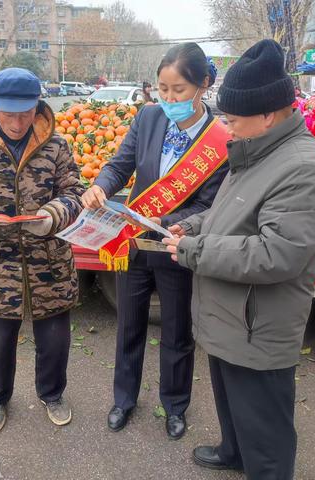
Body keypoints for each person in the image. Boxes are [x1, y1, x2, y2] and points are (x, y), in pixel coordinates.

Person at [164, 40, 315, 478]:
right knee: (231, 402)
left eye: (232, 119)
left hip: (257, 326)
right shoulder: (257, 150)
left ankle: (261, 466)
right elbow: (229, 211)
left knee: (266, 429)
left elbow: (274, 254)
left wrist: (194, 250)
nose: (227, 128)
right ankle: (233, 451)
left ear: (267, 114)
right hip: (231, 317)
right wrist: (196, 227)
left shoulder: (303, 169)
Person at [82, 43, 229, 440]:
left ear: (204, 85)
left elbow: (209, 203)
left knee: (177, 332)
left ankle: (175, 405)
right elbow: (119, 164)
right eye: (162, 89)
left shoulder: (220, 141)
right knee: (129, 325)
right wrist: (100, 186)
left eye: (178, 90)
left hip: (174, 246)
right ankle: (124, 399)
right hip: (132, 243)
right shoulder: (148, 118)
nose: (168, 99)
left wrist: (165, 220)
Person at [0, 67, 84, 433]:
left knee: (54, 341)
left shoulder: (56, 145)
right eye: (8, 115)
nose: (18, 123)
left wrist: (53, 215)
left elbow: (74, 191)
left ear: (38, 108)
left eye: (26, 113)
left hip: (48, 264)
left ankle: (52, 394)